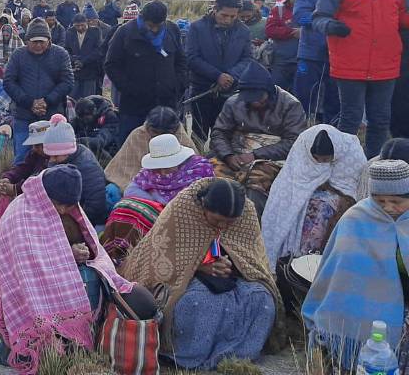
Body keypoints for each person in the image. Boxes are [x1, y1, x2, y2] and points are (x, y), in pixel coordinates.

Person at [0, 165, 154, 373]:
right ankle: (25, 348)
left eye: (69, 206)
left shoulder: (62, 203)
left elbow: (89, 241)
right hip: (21, 286)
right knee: (79, 285)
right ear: (46, 196)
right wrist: (70, 255)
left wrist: (82, 252)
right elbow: (29, 265)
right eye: (61, 205)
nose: (66, 210)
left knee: (92, 276)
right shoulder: (23, 215)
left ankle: (70, 344)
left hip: (53, 271)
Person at [121, 178, 281, 370]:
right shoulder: (183, 208)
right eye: (216, 220)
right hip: (186, 277)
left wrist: (232, 264)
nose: (221, 226)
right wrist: (202, 266)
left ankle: (239, 357)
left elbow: (251, 256)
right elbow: (163, 257)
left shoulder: (246, 212)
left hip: (234, 276)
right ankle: (188, 358)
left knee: (261, 299)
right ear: (204, 206)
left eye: (229, 223)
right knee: (197, 303)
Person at [302, 160, 409, 372]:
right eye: (380, 201)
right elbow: (337, 275)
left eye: (396, 201)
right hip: (358, 303)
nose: (388, 207)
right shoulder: (356, 218)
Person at [313, 0, 409, 158]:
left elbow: (403, 15)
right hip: (349, 63)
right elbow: (318, 18)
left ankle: (373, 162)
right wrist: (330, 25)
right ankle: (344, 161)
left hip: (386, 63)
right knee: (351, 118)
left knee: (380, 119)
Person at [261, 125, 366, 269]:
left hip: (338, 194)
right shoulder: (304, 143)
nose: (322, 163)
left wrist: (323, 187)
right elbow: (293, 179)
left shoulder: (351, 152)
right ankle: (284, 257)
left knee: (319, 211)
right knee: (286, 205)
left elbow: (349, 186)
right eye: (317, 159)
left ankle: (307, 260)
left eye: (326, 159)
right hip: (300, 189)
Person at [101, 133, 214, 264]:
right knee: (123, 208)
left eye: (167, 166)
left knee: (135, 211)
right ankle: (118, 255)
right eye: (159, 167)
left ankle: (144, 259)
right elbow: (131, 190)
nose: (162, 172)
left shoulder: (199, 170)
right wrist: (158, 202)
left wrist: (163, 203)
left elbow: (193, 202)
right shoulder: (150, 172)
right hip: (159, 214)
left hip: (185, 222)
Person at [209, 62, 305, 209]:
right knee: (211, 179)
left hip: (271, 160)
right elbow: (219, 132)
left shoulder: (290, 105)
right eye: (250, 98)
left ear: (269, 91)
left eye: (259, 98)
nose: (254, 102)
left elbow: (294, 142)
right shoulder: (234, 102)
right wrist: (228, 155)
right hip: (234, 154)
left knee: (256, 186)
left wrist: (256, 155)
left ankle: (252, 223)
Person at [104, 1, 187, 145]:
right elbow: (111, 65)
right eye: (150, 25)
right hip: (134, 106)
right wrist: (128, 88)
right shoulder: (124, 32)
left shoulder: (172, 30)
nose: (154, 29)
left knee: (169, 148)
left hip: (166, 103)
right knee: (131, 147)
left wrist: (177, 85)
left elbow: (181, 61)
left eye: (158, 25)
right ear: (142, 18)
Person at [4, 19, 74, 164]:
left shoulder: (60, 54)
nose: (38, 45)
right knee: (22, 159)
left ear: (49, 40)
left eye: (42, 41)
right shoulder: (18, 55)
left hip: (52, 116)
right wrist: (30, 103)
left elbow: (67, 82)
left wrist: (47, 101)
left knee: (53, 158)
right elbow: (9, 82)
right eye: (34, 41)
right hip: (24, 115)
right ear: (27, 40)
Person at [293, 0, 352, 125]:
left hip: (340, 54)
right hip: (311, 52)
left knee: (335, 97)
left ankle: (330, 134)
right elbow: (299, 16)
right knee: (305, 94)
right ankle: (298, 130)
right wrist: (323, 23)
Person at [186, 0, 252, 140]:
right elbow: (192, 58)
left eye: (233, 16)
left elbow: (247, 59)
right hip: (202, 90)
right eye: (224, 15)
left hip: (230, 92)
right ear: (215, 9)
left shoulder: (243, 31)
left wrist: (231, 76)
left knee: (225, 137)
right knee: (198, 135)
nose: (228, 20)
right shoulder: (197, 28)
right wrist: (217, 75)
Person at [105, 106, 200, 197]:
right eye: (155, 132)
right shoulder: (138, 135)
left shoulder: (181, 137)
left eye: (165, 133)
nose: (159, 136)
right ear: (148, 127)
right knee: (111, 191)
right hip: (138, 184)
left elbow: (194, 169)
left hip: (173, 189)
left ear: (174, 130)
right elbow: (126, 168)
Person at [0, 119, 51, 222]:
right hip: (28, 191)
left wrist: (15, 188)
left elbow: (40, 182)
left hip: (44, 199)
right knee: (1, 191)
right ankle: (0, 221)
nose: (34, 148)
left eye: (37, 145)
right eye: (33, 145)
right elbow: (22, 168)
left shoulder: (54, 160)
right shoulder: (35, 154)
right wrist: (7, 178)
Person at [265, 0, 302, 92]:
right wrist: (291, 32)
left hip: (302, 60)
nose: (299, 2)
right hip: (281, 61)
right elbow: (269, 30)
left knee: (300, 93)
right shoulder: (278, 10)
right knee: (277, 91)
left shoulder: (311, 11)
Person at [63, 13, 102, 100]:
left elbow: (98, 51)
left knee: (89, 99)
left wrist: (83, 61)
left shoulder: (95, 32)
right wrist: (74, 60)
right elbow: (66, 50)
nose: (80, 28)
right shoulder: (69, 32)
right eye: (77, 26)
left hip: (90, 71)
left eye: (82, 25)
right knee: (72, 99)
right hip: (75, 71)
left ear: (87, 23)